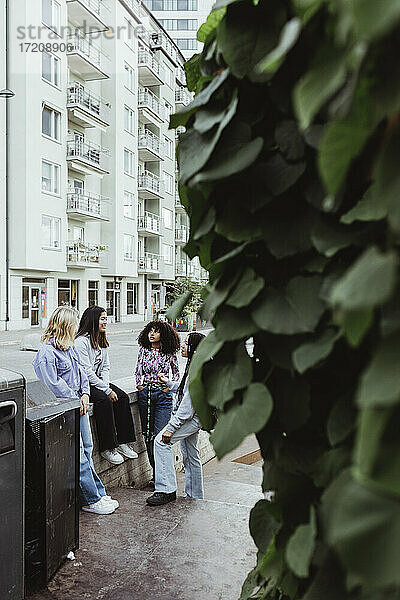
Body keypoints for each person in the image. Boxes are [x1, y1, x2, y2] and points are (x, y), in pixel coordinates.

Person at [32, 306, 118, 515]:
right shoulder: (46, 353)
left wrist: (86, 394)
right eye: (74, 323)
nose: (77, 327)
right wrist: (75, 398)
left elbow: (82, 374)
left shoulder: (69, 347)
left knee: (86, 449)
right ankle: (91, 499)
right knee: (77, 455)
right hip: (65, 411)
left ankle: (96, 493)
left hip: (79, 406)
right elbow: (53, 384)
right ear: (65, 325)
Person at [146, 332, 206, 506]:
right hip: (197, 417)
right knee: (190, 454)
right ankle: (195, 496)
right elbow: (187, 391)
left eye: (186, 343)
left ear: (194, 348)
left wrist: (171, 428)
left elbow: (187, 407)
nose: (182, 346)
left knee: (160, 442)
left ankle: (166, 489)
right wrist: (170, 385)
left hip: (192, 418)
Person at [74, 306, 138, 465]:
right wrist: (106, 390)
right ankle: (107, 448)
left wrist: (106, 384)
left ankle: (123, 442)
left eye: (106, 319)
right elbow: (87, 372)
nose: (105, 322)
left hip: (98, 381)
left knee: (122, 397)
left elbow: (105, 367)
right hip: (84, 383)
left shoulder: (101, 340)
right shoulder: (81, 342)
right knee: (104, 400)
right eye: (103, 319)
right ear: (93, 320)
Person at [135, 321, 180, 482]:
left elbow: (176, 373)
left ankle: (163, 476)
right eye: (150, 331)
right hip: (145, 394)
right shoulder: (144, 350)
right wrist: (139, 385)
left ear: (163, 335)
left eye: (156, 331)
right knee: (147, 436)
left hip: (163, 396)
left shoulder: (169, 352)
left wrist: (169, 388)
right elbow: (138, 369)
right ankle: (156, 475)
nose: (151, 334)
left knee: (159, 436)